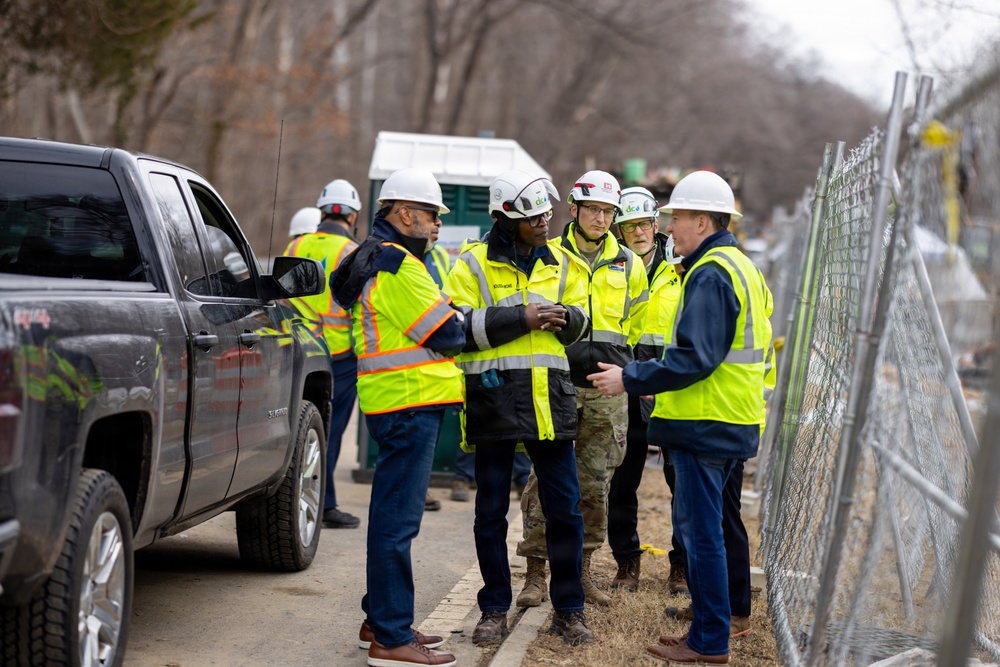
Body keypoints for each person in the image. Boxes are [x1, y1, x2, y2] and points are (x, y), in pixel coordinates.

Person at [586, 170, 772, 665]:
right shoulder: (741, 266)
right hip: (734, 417)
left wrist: (630, 377)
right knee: (718, 524)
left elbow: (696, 357)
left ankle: (709, 640)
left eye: (678, 218)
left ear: (703, 221)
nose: (672, 227)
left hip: (705, 423)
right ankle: (723, 620)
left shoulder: (710, 273)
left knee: (702, 533)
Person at [446, 169, 594, 646]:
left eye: (547, 215)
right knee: (490, 511)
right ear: (505, 219)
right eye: (533, 218)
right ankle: (493, 609)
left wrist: (568, 318)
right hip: (493, 398)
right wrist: (524, 317)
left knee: (566, 510)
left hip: (551, 400)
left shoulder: (566, 264)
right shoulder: (470, 265)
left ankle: (569, 611)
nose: (543, 224)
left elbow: (582, 324)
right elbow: (457, 326)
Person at [330, 167, 465, 667]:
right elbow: (447, 334)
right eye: (431, 215)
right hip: (408, 404)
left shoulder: (379, 258)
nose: (436, 226)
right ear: (405, 213)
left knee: (394, 520)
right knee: (396, 524)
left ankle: (383, 619)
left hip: (398, 402)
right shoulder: (396, 265)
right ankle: (389, 638)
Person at [517, 169, 648, 608]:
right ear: (573, 208)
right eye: (593, 209)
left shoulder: (629, 264)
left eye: (609, 211)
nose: (601, 218)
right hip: (556, 386)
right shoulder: (548, 254)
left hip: (608, 392)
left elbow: (638, 325)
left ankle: (582, 572)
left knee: (595, 485)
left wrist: (625, 372)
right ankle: (535, 574)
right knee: (543, 484)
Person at [605, 186, 684, 592]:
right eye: (628, 226)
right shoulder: (612, 267)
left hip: (672, 390)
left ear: (657, 225)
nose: (637, 232)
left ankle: (681, 567)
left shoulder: (683, 265)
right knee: (622, 481)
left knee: (681, 482)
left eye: (643, 223)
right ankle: (626, 562)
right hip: (628, 387)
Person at [283, 180, 364, 529]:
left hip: (297, 349)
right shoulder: (352, 251)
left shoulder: (296, 243)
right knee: (327, 432)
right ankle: (325, 506)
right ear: (352, 215)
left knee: (297, 427)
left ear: (322, 211)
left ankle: (294, 500)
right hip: (338, 357)